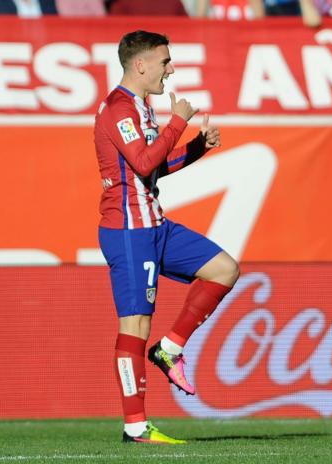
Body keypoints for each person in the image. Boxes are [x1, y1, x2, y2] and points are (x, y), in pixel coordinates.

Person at [94, 30, 239, 444]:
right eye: (165, 61)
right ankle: (135, 427)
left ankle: (170, 349)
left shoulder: (138, 107)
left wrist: (196, 148)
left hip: (155, 224)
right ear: (140, 65)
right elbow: (142, 161)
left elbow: (152, 167)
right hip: (128, 230)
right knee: (135, 324)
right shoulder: (119, 109)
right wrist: (179, 121)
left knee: (224, 269)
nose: (170, 69)